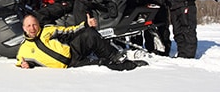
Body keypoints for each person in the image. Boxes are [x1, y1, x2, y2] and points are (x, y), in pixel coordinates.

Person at [16, 14, 148, 71]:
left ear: (38, 24)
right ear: (23, 28)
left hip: (73, 51)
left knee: (90, 34)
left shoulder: (47, 30)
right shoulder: (24, 48)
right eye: (29, 26)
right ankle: (130, 66)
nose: (32, 28)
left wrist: (85, 24)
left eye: (34, 24)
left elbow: (69, 30)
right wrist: (25, 64)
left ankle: (115, 56)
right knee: (101, 65)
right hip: (70, 65)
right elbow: (21, 61)